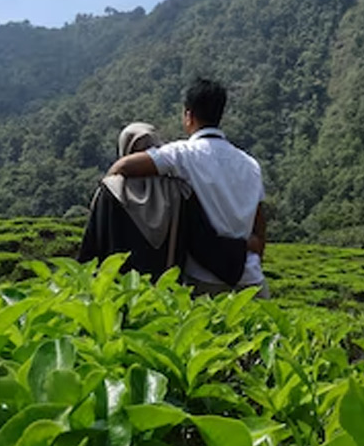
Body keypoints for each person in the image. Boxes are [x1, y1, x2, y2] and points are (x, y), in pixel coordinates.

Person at [106, 78, 269, 297]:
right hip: (252, 282)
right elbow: (260, 231)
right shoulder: (250, 165)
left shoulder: (182, 155)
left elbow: (123, 166)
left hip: (204, 283)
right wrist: (247, 246)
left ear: (188, 116)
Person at [78, 122, 188, 279]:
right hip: (166, 286)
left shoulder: (111, 190)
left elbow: (93, 243)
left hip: (117, 286)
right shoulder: (177, 190)